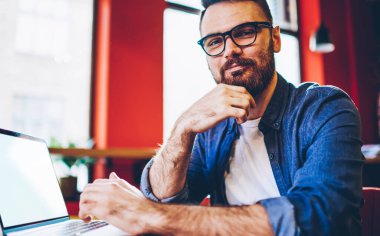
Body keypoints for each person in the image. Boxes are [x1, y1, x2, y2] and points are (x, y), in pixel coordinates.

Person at [79, 0, 364, 235]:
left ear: (275, 38)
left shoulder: (324, 108)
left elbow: (319, 216)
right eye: (215, 41)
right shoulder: (212, 130)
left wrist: (149, 215)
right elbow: (166, 198)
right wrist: (183, 128)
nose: (230, 50)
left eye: (244, 32)